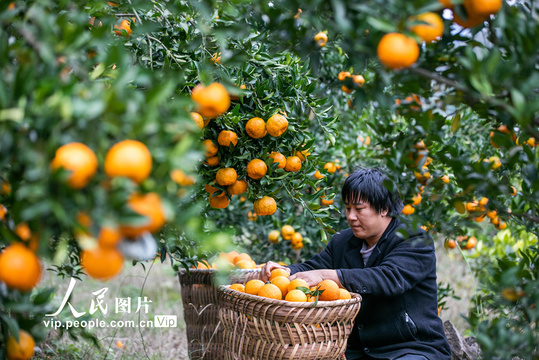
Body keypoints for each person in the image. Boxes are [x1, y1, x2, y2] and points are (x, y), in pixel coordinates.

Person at [261, 167, 451, 360]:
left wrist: (330, 275)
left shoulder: (414, 238)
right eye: (348, 207)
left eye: (359, 209)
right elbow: (313, 267)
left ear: (384, 208)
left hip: (410, 348)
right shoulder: (343, 242)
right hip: (358, 351)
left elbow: (389, 278)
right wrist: (283, 271)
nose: (350, 216)